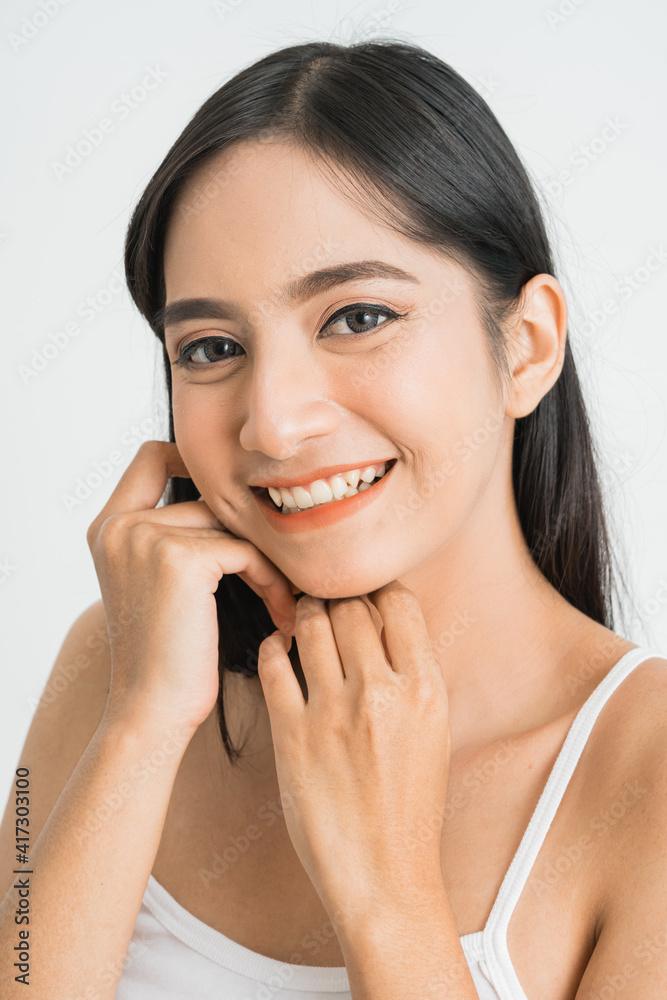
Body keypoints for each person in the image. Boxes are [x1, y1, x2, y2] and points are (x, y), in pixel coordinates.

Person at [1, 38, 666, 1000]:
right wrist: (139, 728)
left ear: (524, 347)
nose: (272, 421)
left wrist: (386, 897)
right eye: (212, 346)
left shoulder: (641, 776)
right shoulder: (108, 668)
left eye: (357, 317)